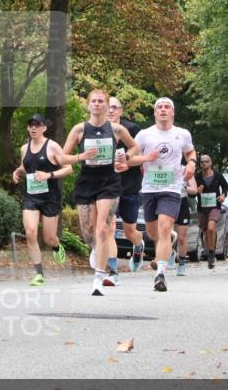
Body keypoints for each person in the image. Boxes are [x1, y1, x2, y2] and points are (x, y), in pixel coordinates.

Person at [59, 89, 138, 295]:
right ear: (88, 105)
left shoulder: (117, 129)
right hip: (86, 180)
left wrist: (126, 158)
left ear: (106, 105)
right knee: (89, 232)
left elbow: (134, 147)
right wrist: (81, 157)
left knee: (103, 229)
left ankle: (99, 278)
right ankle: (96, 249)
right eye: (93, 101)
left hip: (109, 181)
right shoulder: (79, 130)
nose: (97, 104)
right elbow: (62, 157)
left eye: (101, 101)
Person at [118, 97, 196, 292]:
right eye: (159, 107)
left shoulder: (182, 134)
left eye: (167, 107)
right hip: (149, 189)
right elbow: (130, 159)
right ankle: (166, 242)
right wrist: (147, 158)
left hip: (172, 188)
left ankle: (160, 274)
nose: (163, 110)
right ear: (154, 113)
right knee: (154, 234)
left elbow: (190, 152)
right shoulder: (145, 135)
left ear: (172, 112)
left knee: (164, 227)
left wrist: (192, 164)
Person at [11, 114, 72, 286]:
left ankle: (56, 246)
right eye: (31, 125)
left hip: (50, 197)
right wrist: (18, 171)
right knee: (30, 232)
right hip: (31, 196)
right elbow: (26, 166)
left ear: (44, 128)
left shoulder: (52, 146)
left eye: (37, 125)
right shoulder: (24, 148)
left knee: (49, 238)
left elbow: (68, 169)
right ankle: (39, 274)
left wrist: (49, 175)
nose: (33, 128)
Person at [107, 95, 143, 278]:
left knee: (129, 232)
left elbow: (142, 157)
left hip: (129, 187)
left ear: (120, 111)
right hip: (107, 188)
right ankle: (112, 270)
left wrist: (127, 162)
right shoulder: (96, 130)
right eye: (108, 106)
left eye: (114, 107)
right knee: (109, 228)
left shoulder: (132, 129)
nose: (110, 110)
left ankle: (138, 245)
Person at [195, 155, 228, 269]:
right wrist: (197, 191)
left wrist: (223, 195)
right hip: (202, 208)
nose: (204, 163)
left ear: (211, 163)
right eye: (202, 162)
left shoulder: (217, 175)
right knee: (206, 233)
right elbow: (192, 194)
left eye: (206, 161)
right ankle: (211, 249)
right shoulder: (197, 177)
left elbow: (225, 186)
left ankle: (211, 253)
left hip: (215, 206)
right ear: (200, 164)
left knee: (211, 227)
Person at [172, 175, 199, 276]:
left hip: (182, 203)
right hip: (168, 201)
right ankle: (170, 254)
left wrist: (184, 187)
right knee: (168, 234)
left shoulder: (186, 170)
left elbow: (195, 190)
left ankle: (182, 263)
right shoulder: (166, 167)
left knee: (181, 238)